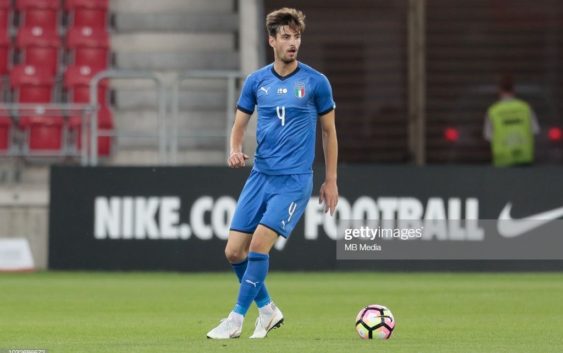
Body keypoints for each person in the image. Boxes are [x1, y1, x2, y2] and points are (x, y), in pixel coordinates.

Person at [206, 7, 339, 339]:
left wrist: (331, 179)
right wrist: (235, 150)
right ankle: (267, 310)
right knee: (233, 251)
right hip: (260, 176)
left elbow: (329, 132)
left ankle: (236, 319)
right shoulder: (257, 81)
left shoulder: (316, 82)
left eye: (296, 37)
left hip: (294, 180)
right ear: (271, 40)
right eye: (285, 37)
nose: (292, 43)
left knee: (258, 248)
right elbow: (239, 126)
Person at [483, 74, 540, 167]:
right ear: (514, 90)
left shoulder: (493, 110)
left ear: (499, 90)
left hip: (502, 159)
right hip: (524, 158)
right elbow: (535, 130)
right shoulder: (525, 108)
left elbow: (488, 136)